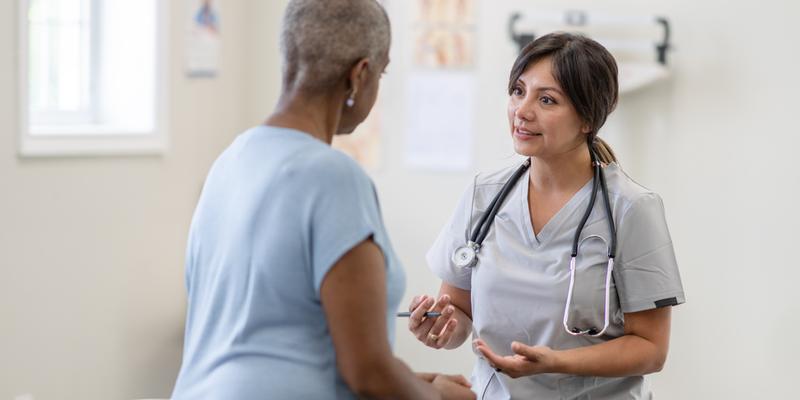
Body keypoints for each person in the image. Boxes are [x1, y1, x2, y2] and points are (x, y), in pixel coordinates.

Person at [171, 1, 475, 399]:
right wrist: (440, 397)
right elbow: (367, 373)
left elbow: (281, 341)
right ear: (359, 76)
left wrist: (417, 382)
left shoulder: (230, 161)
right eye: (380, 74)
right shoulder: (333, 177)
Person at [406, 32, 685, 399]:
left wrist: (557, 362)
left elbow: (651, 349)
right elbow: (458, 313)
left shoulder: (631, 208)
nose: (522, 111)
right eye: (518, 91)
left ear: (588, 118)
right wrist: (442, 328)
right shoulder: (484, 195)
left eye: (547, 100)